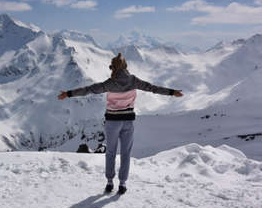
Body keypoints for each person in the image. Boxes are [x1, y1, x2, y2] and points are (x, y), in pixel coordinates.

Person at [58, 53, 183, 194]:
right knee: (125, 153)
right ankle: (122, 184)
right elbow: (152, 88)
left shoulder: (109, 83)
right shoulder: (134, 80)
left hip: (112, 122)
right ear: (125, 66)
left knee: (110, 152)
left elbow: (89, 90)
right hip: (128, 122)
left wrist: (68, 94)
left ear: (114, 68)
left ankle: (110, 182)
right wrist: (172, 92)